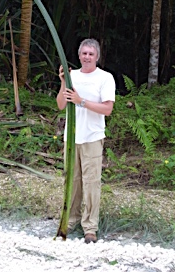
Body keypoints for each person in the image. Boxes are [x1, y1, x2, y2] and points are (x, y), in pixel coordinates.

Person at [56, 38, 116, 244]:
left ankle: (90, 227)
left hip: (92, 137)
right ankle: (70, 220)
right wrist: (64, 81)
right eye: (84, 53)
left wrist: (82, 101)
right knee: (72, 181)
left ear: (97, 56)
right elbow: (61, 105)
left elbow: (107, 109)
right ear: (79, 55)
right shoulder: (72, 76)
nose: (87, 57)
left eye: (91, 54)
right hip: (72, 137)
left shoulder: (105, 78)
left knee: (91, 183)